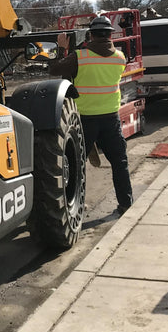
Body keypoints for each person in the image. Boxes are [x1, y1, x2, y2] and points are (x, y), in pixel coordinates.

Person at [50, 15, 133, 215]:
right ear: (110, 35)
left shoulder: (80, 56)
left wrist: (62, 48)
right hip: (110, 118)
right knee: (119, 162)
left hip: (84, 120)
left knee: (77, 166)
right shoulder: (120, 58)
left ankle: (75, 206)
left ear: (91, 35)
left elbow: (55, 69)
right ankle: (126, 203)